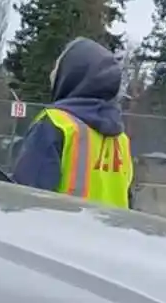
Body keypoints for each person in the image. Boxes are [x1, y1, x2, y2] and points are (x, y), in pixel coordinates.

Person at [10, 37, 135, 207]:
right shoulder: (121, 139)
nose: (51, 75)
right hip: (110, 233)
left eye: (57, 68)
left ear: (72, 75)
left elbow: (24, 198)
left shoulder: (55, 124)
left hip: (62, 232)